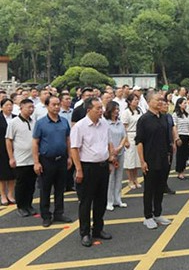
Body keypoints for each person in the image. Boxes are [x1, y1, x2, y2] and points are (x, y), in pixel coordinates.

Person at [70, 98, 115, 247]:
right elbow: (74, 148)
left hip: (102, 167)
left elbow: (108, 143)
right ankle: (85, 233)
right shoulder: (80, 126)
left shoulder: (104, 124)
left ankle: (98, 229)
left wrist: (110, 159)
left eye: (101, 108)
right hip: (87, 167)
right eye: (97, 108)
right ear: (88, 110)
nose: (101, 110)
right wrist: (79, 169)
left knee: (101, 201)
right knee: (85, 202)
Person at [32, 96, 73, 228]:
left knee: (60, 189)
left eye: (58, 105)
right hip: (46, 161)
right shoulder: (41, 123)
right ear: (47, 106)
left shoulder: (64, 122)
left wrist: (69, 157)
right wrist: (36, 162)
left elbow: (68, 139)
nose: (56, 107)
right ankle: (46, 215)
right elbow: (35, 143)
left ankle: (59, 213)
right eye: (53, 105)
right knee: (45, 189)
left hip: (61, 160)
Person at [136, 94, 173, 229]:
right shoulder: (144, 120)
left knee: (160, 187)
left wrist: (168, 154)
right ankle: (148, 216)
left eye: (161, 100)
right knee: (149, 188)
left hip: (163, 157)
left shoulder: (163, 118)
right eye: (157, 100)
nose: (160, 102)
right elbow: (139, 141)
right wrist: (142, 161)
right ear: (149, 101)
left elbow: (165, 139)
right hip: (150, 158)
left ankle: (158, 213)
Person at [6, 99, 36, 216]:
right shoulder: (14, 122)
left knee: (31, 183)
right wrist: (11, 157)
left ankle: (29, 204)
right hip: (20, 159)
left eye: (32, 107)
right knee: (21, 184)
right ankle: (21, 206)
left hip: (33, 159)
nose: (31, 110)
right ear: (21, 107)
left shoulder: (34, 122)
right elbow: (8, 140)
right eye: (28, 107)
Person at [104, 101, 129, 211]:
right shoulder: (105, 123)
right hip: (110, 154)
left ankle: (117, 199)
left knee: (119, 177)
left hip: (120, 152)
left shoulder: (119, 122)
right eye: (115, 109)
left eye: (118, 109)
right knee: (110, 178)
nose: (117, 111)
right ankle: (109, 201)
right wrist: (111, 151)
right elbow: (105, 138)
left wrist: (119, 147)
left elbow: (124, 136)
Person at [121, 93, 142, 189]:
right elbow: (124, 127)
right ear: (129, 102)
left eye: (137, 99)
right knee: (130, 159)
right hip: (129, 135)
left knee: (137, 159)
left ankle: (135, 179)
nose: (136, 101)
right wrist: (125, 140)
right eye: (134, 100)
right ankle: (130, 180)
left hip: (138, 135)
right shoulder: (126, 113)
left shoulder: (139, 111)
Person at [0, 98, 16, 206]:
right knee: (2, 174)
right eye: (7, 105)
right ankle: (3, 195)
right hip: (1, 149)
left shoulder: (16, 118)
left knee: (12, 173)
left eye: (11, 105)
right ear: (2, 107)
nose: (9, 107)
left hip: (15, 148)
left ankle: (10, 194)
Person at [172, 97, 189, 180]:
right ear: (179, 104)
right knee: (180, 155)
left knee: (185, 155)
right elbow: (174, 127)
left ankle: (183, 171)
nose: (185, 104)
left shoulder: (185, 114)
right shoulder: (175, 114)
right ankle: (179, 172)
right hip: (180, 135)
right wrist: (176, 138)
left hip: (186, 135)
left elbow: (188, 126)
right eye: (184, 103)